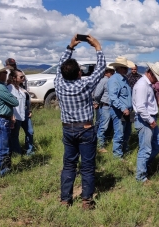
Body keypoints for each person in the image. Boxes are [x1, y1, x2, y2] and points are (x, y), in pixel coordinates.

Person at [55, 35, 105, 209]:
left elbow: (59, 68)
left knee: (69, 164)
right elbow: (101, 69)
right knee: (88, 166)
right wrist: (97, 46)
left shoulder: (59, 84)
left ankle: (65, 200)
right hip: (85, 129)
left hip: (68, 129)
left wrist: (70, 47)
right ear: (79, 73)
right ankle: (86, 201)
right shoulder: (85, 84)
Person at [133, 62, 159, 183]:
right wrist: (150, 120)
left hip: (149, 119)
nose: (157, 80)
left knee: (158, 144)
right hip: (145, 120)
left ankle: (145, 166)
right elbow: (141, 107)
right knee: (145, 149)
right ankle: (141, 177)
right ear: (150, 73)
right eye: (156, 77)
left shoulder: (147, 84)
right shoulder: (142, 85)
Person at [108, 57, 135, 159]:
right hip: (120, 111)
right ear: (118, 68)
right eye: (124, 67)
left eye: (126, 67)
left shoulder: (125, 79)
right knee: (119, 133)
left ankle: (125, 149)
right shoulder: (114, 80)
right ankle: (117, 155)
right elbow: (113, 97)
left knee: (127, 132)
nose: (126, 69)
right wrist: (123, 108)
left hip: (128, 110)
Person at [7, 70, 34, 156]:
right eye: (21, 77)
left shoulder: (22, 88)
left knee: (30, 132)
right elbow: (8, 102)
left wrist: (29, 110)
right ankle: (17, 153)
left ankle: (30, 151)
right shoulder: (9, 88)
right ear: (14, 78)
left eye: (23, 77)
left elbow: (26, 101)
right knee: (14, 136)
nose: (23, 78)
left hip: (24, 113)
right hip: (15, 115)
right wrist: (11, 115)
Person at [0, 61, 18, 177]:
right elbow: (14, 101)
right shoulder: (1, 87)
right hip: (2, 119)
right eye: (4, 72)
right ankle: (3, 172)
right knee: (3, 147)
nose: (6, 74)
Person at [94, 64, 115, 153]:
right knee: (103, 126)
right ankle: (100, 145)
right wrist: (97, 102)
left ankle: (104, 142)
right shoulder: (104, 81)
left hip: (110, 106)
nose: (112, 73)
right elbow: (97, 94)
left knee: (108, 125)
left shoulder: (111, 81)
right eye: (111, 71)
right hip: (105, 105)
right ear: (107, 72)